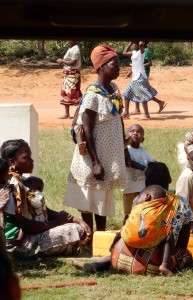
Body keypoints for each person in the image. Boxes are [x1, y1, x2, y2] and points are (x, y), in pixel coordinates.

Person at [71, 162, 193, 275]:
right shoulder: (181, 203)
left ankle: (97, 264)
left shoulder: (140, 199)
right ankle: (164, 266)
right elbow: (183, 240)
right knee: (186, 254)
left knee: (125, 235)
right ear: (169, 180)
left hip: (125, 253)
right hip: (158, 258)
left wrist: (115, 245)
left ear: (146, 182)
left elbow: (130, 225)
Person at [64, 45, 128, 245]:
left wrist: (123, 148)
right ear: (100, 67)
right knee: (89, 199)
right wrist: (96, 162)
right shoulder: (93, 95)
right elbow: (88, 129)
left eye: (118, 64)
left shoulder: (114, 90)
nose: (118, 68)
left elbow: (120, 119)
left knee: (103, 199)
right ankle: (89, 240)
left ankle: (101, 239)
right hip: (93, 157)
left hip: (109, 156)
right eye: (114, 64)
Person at [1, 139, 91, 258]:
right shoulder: (12, 187)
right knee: (73, 231)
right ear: (12, 162)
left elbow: (44, 211)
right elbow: (26, 226)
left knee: (76, 227)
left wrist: (75, 219)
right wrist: (57, 222)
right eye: (26, 158)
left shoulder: (22, 182)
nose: (32, 161)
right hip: (17, 242)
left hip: (31, 235)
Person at [121, 41, 166, 120]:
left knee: (143, 95)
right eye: (134, 44)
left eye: (135, 43)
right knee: (127, 94)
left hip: (140, 77)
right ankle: (126, 112)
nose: (134, 45)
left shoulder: (142, 52)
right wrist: (130, 43)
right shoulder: (133, 52)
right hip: (135, 77)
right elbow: (124, 53)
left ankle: (147, 115)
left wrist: (140, 41)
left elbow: (141, 45)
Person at [122, 124, 154, 223]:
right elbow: (130, 162)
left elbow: (152, 162)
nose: (135, 133)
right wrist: (145, 168)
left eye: (139, 132)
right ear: (127, 136)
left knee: (141, 213)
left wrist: (156, 166)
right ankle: (124, 232)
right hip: (129, 189)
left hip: (142, 189)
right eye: (132, 131)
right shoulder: (126, 150)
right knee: (129, 214)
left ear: (143, 139)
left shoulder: (143, 151)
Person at [57, 40, 82, 119]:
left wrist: (62, 61)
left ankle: (80, 114)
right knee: (65, 93)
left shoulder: (75, 49)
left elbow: (73, 62)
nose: (67, 42)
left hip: (73, 74)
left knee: (74, 93)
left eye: (69, 40)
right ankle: (67, 114)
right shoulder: (71, 48)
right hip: (68, 74)